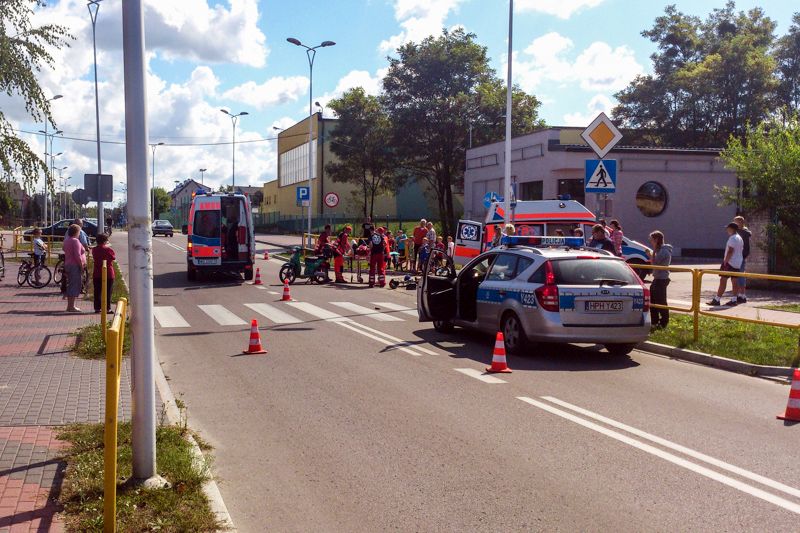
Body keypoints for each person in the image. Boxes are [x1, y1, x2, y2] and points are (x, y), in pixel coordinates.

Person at [708, 222, 744, 306]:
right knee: (735, 281)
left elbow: (730, 251)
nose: (727, 230)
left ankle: (717, 299)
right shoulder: (739, 238)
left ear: (732, 229)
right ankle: (734, 299)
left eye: (728, 228)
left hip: (730, 263)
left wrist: (725, 261)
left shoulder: (732, 238)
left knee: (723, 280)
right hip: (737, 262)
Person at [647, 230, 673, 330]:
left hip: (662, 279)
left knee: (661, 301)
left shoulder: (663, 251)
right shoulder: (658, 250)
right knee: (653, 301)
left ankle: (664, 322)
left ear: (657, 240)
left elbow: (655, 263)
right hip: (657, 278)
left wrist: (651, 253)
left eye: (652, 240)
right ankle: (654, 321)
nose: (651, 242)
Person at [63, 224, 86, 313]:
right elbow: (77, 255)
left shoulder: (67, 240)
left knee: (71, 284)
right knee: (74, 284)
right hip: (74, 265)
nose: (80, 234)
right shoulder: (75, 241)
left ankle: (70, 306)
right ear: (76, 232)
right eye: (79, 232)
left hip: (68, 264)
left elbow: (64, 249)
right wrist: (81, 265)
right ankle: (71, 306)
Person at [91, 233, 116, 313]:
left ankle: (97, 308)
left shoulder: (94, 249)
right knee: (108, 292)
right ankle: (107, 308)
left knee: (97, 291)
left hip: (97, 273)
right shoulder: (108, 250)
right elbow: (113, 257)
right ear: (105, 241)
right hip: (108, 273)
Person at [733, 215, 751, 304]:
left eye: (735, 221)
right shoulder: (740, 232)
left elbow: (745, 247)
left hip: (740, 256)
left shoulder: (743, 233)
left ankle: (742, 295)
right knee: (738, 275)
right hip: (738, 256)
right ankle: (740, 295)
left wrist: (742, 256)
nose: (734, 223)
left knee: (740, 275)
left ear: (740, 223)